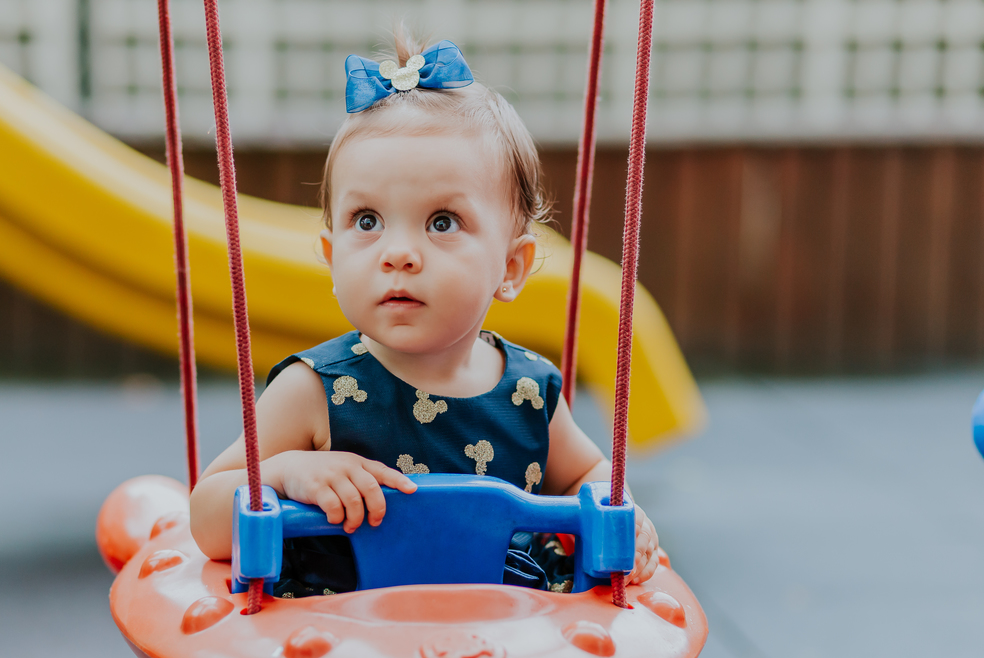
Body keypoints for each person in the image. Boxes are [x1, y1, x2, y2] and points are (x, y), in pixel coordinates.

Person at [190, 30, 659, 600]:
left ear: (511, 266)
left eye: (441, 222)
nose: (398, 253)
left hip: (509, 647)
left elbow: (589, 479)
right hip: (342, 652)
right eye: (367, 221)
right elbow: (207, 517)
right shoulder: (314, 391)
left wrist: (624, 513)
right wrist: (284, 475)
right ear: (332, 257)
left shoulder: (531, 394)